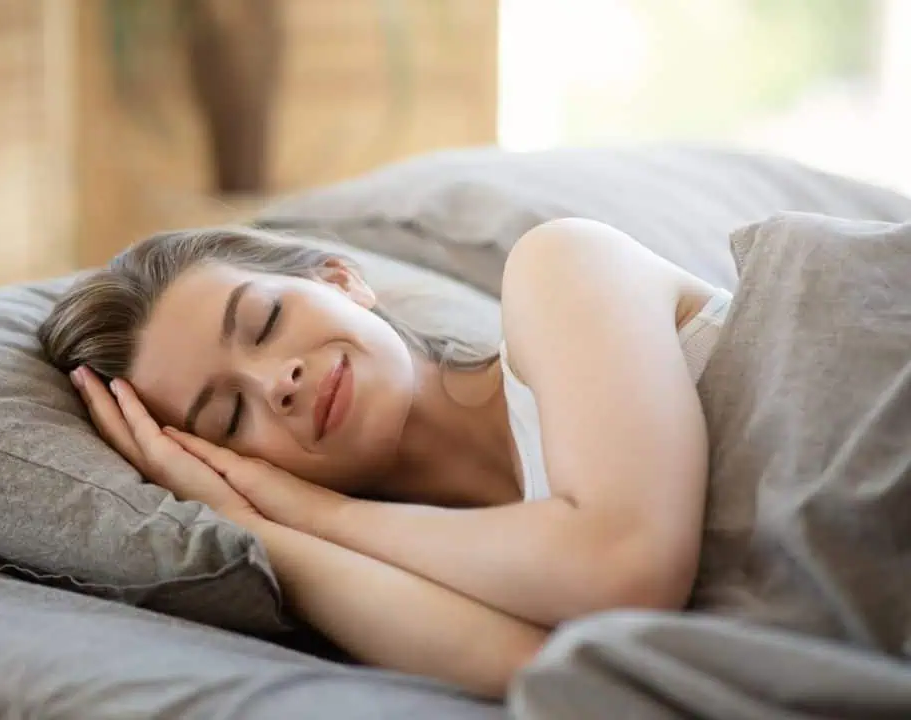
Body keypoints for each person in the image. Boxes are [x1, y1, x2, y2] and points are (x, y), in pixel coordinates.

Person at [39, 217, 732, 699]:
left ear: (342, 280)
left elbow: (623, 564)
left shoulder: (560, 265)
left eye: (266, 323)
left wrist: (314, 510)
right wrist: (253, 527)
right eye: (228, 416)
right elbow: (561, 675)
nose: (276, 382)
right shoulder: (427, 569)